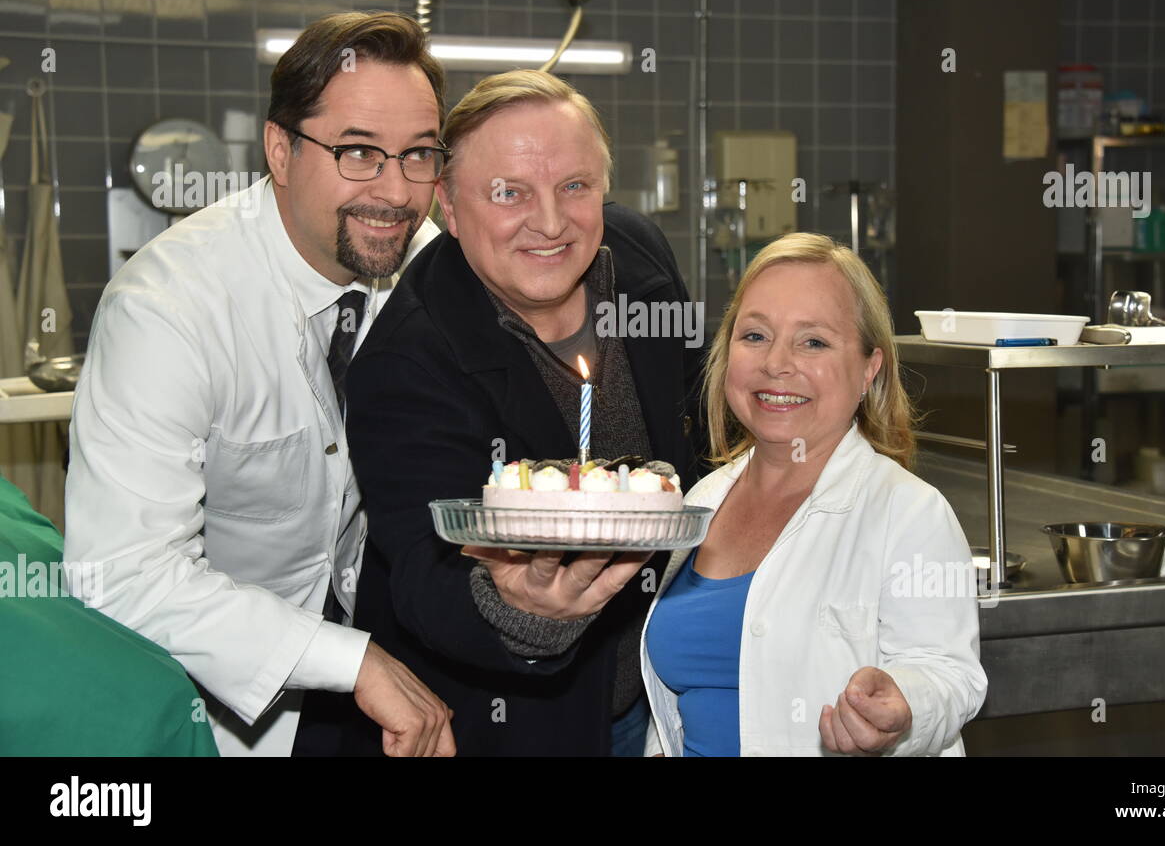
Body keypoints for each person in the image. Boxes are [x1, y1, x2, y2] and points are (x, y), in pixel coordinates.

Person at [64, 11, 455, 757]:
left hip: (383, 662)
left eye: (419, 156)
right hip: (227, 701)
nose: (397, 192)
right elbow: (118, 574)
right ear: (280, 149)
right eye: (359, 152)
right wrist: (352, 660)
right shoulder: (170, 308)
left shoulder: (421, 267)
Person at [338, 69, 706, 756]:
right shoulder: (408, 358)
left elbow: (701, 423)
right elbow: (423, 572)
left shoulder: (639, 259)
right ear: (447, 202)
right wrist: (524, 610)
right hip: (516, 723)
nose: (549, 221)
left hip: (655, 700)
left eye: (575, 186)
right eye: (509, 192)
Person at [641, 233, 987, 756]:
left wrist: (903, 705)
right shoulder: (703, 499)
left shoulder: (909, 511)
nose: (777, 364)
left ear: (870, 368)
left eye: (814, 342)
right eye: (754, 335)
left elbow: (951, 674)